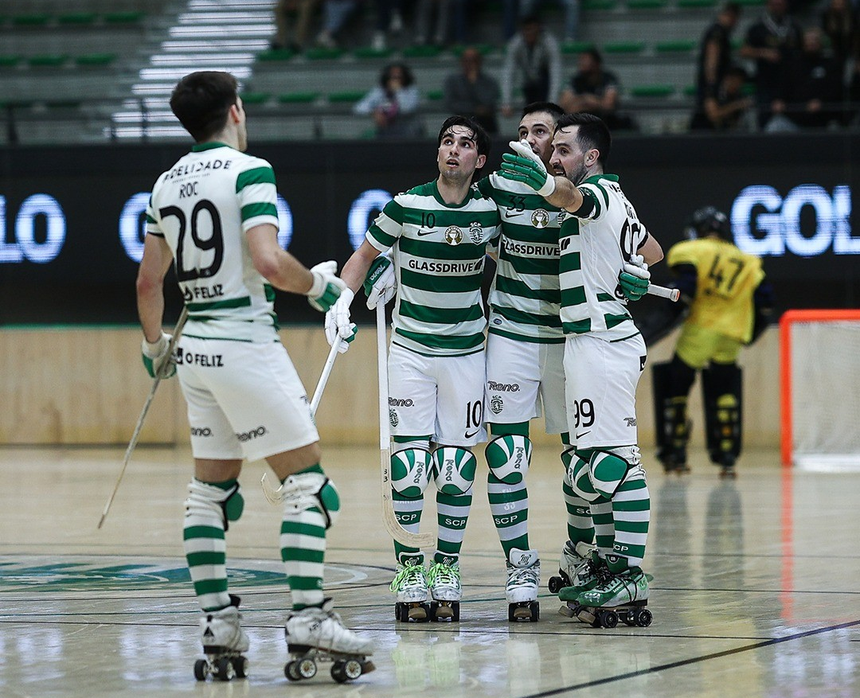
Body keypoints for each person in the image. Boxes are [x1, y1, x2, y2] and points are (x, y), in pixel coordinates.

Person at [135, 71, 373, 679]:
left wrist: (154, 346)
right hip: (243, 343)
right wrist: (322, 287)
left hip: (194, 355)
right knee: (308, 485)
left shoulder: (164, 185)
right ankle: (309, 617)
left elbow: (147, 281)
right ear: (236, 111)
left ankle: (218, 623)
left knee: (208, 492)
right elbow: (268, 262)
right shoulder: (250, 171)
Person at [325, 116, 500, 623]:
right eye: (447, 141)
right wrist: (342, 304)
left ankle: (446, 568)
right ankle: (408, 571)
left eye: (465, 145)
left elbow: (513, 265)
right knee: (408, 466)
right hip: (410, 354)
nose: (453, 150)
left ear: (479, 161)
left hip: (467, 354)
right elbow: (361, 259)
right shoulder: (405, 205)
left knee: (458, 468)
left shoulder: (490, 213)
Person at [499, 112, 664, 621]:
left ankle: (630, 577)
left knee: (617, 462)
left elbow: (573, 199)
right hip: (584, 343)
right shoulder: (612, 202)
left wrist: (546, 182)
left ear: (590, 157)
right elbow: (642, 249)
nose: (554, 155)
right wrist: (629, 270)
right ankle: (605, 566)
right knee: (584, 469)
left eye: (564, 149)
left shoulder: (600, 195)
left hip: (603, 341)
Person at [473, 102, 574, 621]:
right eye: (522, 132)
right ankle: (520, 566)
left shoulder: (581, 192)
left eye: (540, 131)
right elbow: (462, 226)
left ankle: (584, 559)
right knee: (506, 455)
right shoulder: (498, 185)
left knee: (583, 458)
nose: (528, 140)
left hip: (570, 340)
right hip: (510, 336)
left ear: (560, 140)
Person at [645, 207, 774, 479]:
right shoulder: (748, 261)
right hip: (732, 334)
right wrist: (750, 335)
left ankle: (675, 451)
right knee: (725, 390)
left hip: (701, 330)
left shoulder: (691, 250)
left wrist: (651, 329)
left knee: (676, 386)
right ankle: (727, 455)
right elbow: (765, 303)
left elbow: (685, 291)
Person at [740, 0, 803, 129]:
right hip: (766, 84)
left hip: (790, 85)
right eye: (775, 3)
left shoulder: (794, 27)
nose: (778, 6)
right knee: (765, 121)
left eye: (781, 3)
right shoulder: (758, 27)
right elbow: (744, 51)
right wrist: (764, 53)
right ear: (768, 4)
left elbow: (802, 51)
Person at [774, 27, 844, 130]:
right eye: (808, 39)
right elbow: (784, 86)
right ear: (803, 42)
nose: (811, 42)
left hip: (823, 119)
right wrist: (779, 100)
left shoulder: (830, 64)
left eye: (814, 39)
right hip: (793, 118)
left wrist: (821, 101)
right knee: (773, 127)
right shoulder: (793, 64)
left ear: (821, 42)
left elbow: (836, 89)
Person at [500, 15, 563, 118]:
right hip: (528, 81)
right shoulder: (515, 44)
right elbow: (508, 72)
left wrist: (552, 104)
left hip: (544, 80)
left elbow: (555, 73)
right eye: (527, 30)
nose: (530, 34)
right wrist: (506, 102)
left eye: (533, 31)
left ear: (539, 30)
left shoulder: (550, 43)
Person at [558, 48, 635, 131]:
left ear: (596, 63)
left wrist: (586, 102)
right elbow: (564, 106)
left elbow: (608, 105)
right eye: (581, 60)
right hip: (581, 124)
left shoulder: (608, 79)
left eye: (586, 60)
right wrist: (588, 100)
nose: (582, 63)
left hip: (606, 123)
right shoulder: (575, 81)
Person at [694, 3, 742, 114]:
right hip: (712, 87)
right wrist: (710, 90)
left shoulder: (721, 33)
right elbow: (711, 61)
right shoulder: (717, 33)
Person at [353, 62, 423, 138]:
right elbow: (358, 108)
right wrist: (374, 112)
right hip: (386, 132)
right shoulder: (380, 91)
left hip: (409, 133)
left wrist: (398, 91)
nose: (394, 80)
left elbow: (406, 108)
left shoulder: (411, 90)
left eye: (398, 77)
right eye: (392, 77)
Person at [443, 47, 501, 134]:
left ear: (480, 62)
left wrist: (474, 83)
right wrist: (474, 109)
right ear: (461, 62)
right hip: (461, 125)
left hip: (486, 125)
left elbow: (489, 102)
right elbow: (451, 104)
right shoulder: (452, 81)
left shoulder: (489, 81)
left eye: (474, 61)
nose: (470, 64)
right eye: (467, 61)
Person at [689, 65, 754, 131]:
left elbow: (733, 123)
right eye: (736, 82)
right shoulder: (712, 90)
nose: (737, 86)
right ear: (728, 79)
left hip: (723, 134)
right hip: (701, 130)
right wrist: (736, 105)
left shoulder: (738, 96)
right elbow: (714, 115)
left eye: (740, 83)